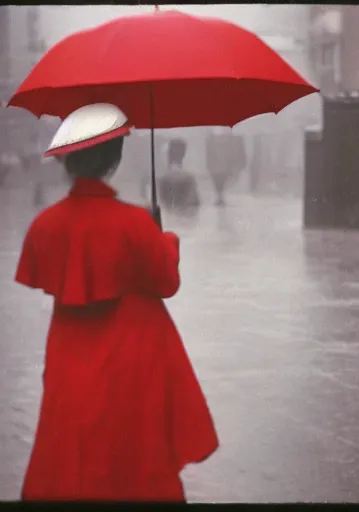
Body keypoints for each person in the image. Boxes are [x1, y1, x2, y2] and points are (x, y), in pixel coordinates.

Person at [15, 103, 218, 502]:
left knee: (70, 439)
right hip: (133, 353)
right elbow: (166, 283)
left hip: (68, 352)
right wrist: (165, 241)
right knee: (134, 446)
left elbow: (44, 278)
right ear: (114, 159)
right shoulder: (134, 222)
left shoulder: (45, 225)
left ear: (67, 163)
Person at [158, 138, 200, 215]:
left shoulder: (163, 177)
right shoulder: (188, 177)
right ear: (183, 154)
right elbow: (195, 201)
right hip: (184, 215)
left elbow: (161, 199)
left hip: (169, 214)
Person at [206, 128, 246, 207]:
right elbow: (210, 154)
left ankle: (220, 196)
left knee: (220, 180)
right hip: (218, 166)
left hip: (220, 166)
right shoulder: (212, 140)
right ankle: (220, 196)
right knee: (218, 180)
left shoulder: (228, 141)